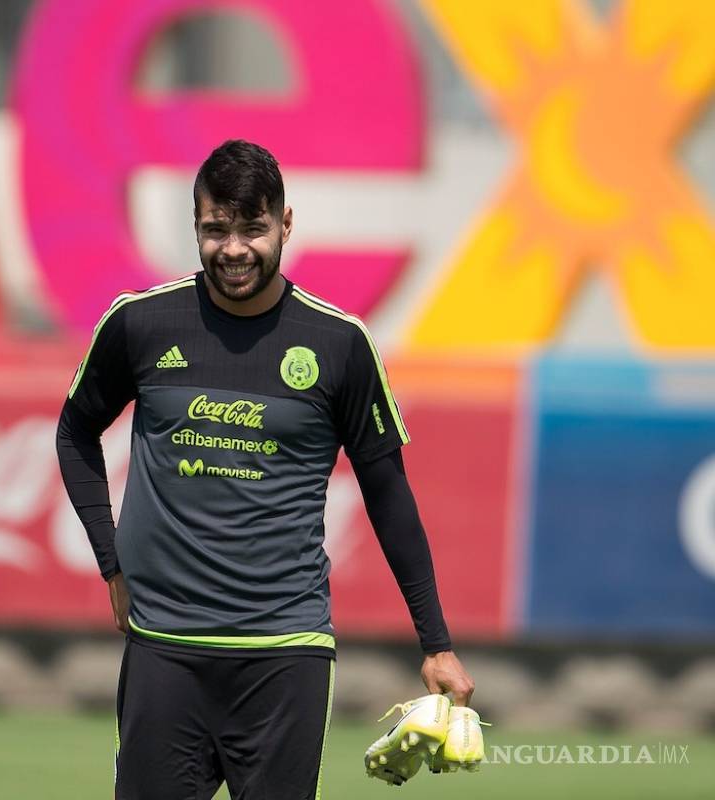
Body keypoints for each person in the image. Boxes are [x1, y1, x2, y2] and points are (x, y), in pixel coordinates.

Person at [56, 139, 474, 799]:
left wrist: (436, 642)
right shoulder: (141, 323)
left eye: (252, 228)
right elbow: (75, 429)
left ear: (285, 223)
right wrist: (110, 562)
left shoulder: (340, 344)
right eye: (215, 229)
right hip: (165, 647)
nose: (234, 249)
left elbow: (389, 495)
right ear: (196, 227)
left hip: (285, 655)